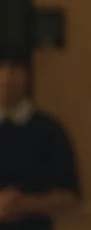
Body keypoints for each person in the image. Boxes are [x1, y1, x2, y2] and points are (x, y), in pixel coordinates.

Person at [0, 54, 81, 230]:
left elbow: (70, 195)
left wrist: (24, 204)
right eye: (1, 69)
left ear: (27, 75)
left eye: (14, 69)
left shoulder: (48, 130)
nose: (6, 78)